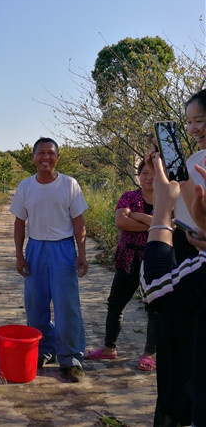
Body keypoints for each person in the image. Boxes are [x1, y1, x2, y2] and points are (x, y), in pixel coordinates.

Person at [143, 89, 206, 427]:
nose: (194, 129)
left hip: (190, 260)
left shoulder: (202, 163)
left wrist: (162, 211)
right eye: (190, 122)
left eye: (201, 120)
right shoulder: (194, 162)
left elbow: (153, 286)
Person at [9, 137, 88, 383]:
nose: (46, 157)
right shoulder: (25, 187)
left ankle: (71, 358)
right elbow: (19, 222)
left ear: (57, 157)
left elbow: (78, 222)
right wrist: (20, 254)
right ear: (33, 157)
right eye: (41, 153)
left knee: (67, 306)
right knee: (36, 305)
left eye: (51, 153)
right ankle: (43, 351)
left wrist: (81, 254)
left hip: (63, 249)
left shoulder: (69, 185)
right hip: (36, 249)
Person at [85, 161, 157, 372]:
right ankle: (109, 348)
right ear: (138, 175)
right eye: (145, 173)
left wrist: (137, 216)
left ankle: (149, 353)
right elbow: (121, 222)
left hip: (155, 260)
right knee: (116, 304)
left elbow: (169, 225)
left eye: (153, 173)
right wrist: (152, 222)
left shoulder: (167, 198)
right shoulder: (128, 196)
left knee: (153, 308)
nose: (149, 177)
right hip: (128, 258)